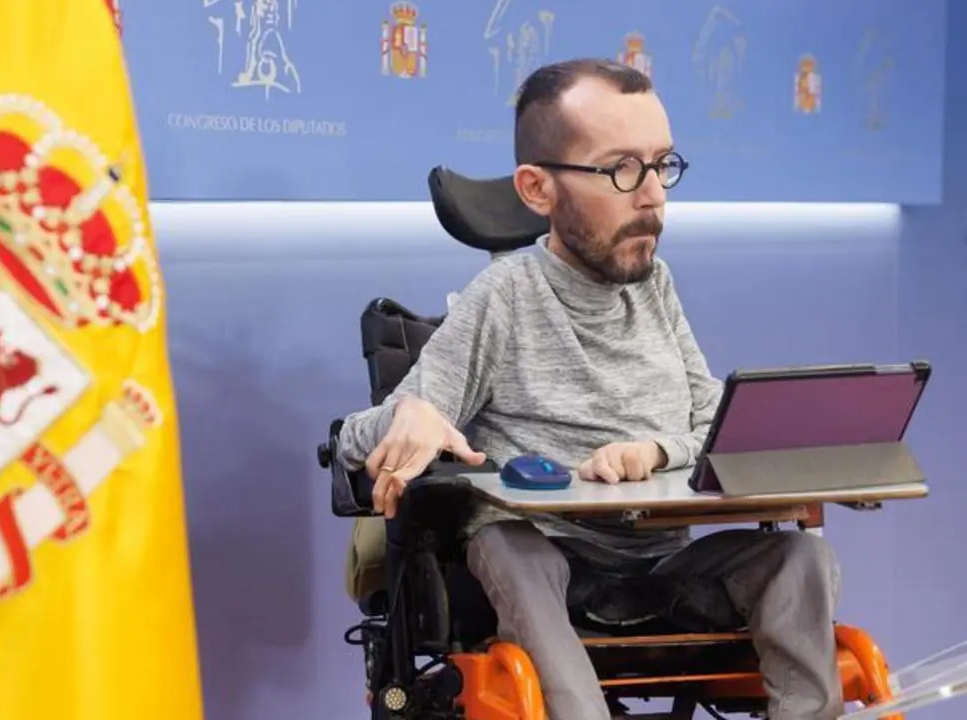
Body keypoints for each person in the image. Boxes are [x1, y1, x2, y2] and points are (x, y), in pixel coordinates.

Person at [334, 58, 842, 720]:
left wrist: (657, 452)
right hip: (549, 567)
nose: (654, 194)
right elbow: (351, 441)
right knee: (504, 542)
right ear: (537, 189)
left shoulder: (655, 288)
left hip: (662, 571)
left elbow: (716, 427)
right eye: (622, 170)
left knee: (800, 556)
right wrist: (415, 412)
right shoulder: (504, 298)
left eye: (662, 165)